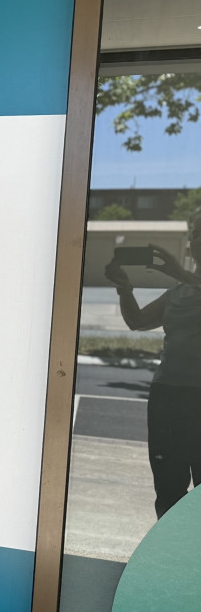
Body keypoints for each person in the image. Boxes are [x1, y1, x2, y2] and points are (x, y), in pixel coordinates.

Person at [105, 210, 201, 518]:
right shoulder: (178, 292)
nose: (200, 238)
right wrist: (124, 288)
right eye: (197, 232)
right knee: (169, 491)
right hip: (167, 397)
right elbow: (137, 321)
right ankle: (172, 560)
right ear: (191, 244)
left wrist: (182, 275)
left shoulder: (183, 282)